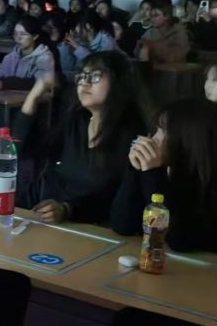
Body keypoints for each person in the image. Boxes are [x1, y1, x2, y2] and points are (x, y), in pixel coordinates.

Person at [18, 52, 150, 223]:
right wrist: (33, 97)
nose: (84, 83)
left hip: (92, 228)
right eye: (81, 76)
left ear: (118, 81)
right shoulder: (76, 121)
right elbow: (18, 149)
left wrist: (67, 209)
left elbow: (116, 198)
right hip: (47, 220)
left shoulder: (132, 135)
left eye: (95, 76)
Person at [110, 98, 217, 255]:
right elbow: (123, 225)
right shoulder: (172, 173)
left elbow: (180, 240)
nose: (153, 138)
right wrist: (135, 169)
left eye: (163, 131)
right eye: (156, 130)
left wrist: (153, 174)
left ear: (190, 138)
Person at [0, 15, 56, 90]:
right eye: (15, 33)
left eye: (23, 34)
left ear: (35, 36)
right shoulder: (9, 58)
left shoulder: (44, 58)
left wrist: (6, 83)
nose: (18, 38)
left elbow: (41, 83)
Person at [136, 0, 190, 64]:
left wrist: (152, 45)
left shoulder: (178, 30)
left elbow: (176, 55)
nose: (152, 19)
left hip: (175, 67)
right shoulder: (150, 31)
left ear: (166, 16)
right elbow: (137, 53)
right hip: (152, 66)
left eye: (156, 15)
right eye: (151, 16)